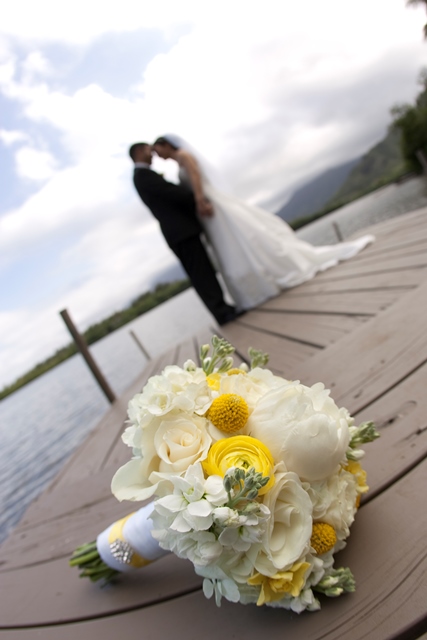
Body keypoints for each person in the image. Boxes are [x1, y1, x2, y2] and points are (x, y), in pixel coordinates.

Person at [152, 134, 375, 310]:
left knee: (242, 238)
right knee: (230, 245)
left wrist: (200, 200)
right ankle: (253, 288)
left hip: (210, 204)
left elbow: (196, 177)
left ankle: (266, 279)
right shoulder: (178, 161)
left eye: (157, 149)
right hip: (207, 209)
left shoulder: (183, 156)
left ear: (165, 144)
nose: (157, 155)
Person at [129, 142, 240, 325]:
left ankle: (223, 308)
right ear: (140, 152)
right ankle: (222, 312)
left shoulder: (143, 175)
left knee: (203, 270)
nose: (153, 154)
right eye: (149, 150)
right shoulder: (142, 176)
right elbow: (170, 193)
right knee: (200, 272)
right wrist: (197, 198)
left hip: (181, 230)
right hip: (179, 231)